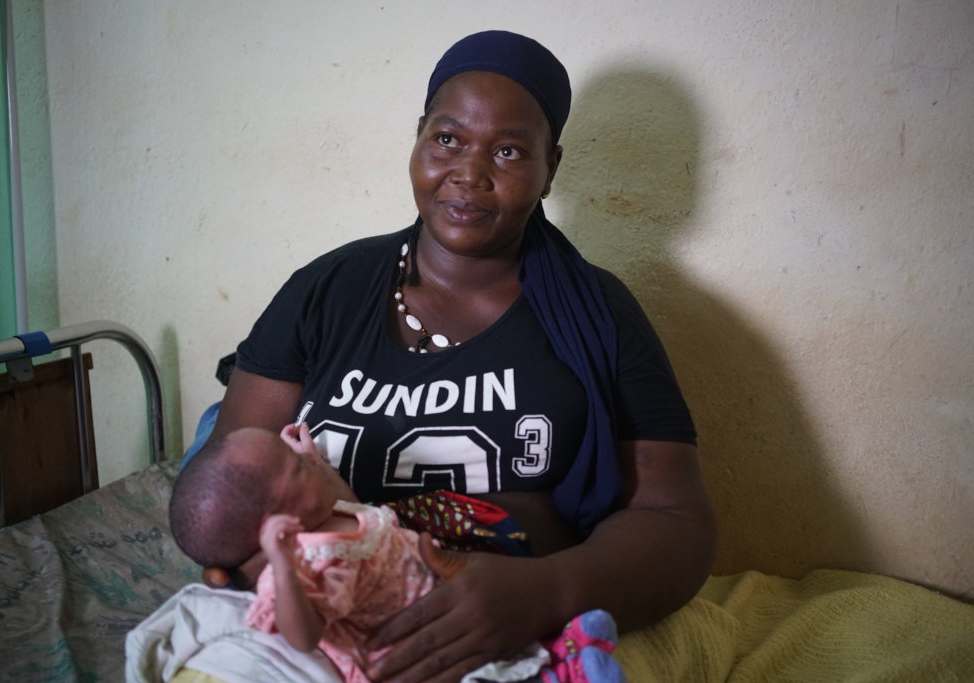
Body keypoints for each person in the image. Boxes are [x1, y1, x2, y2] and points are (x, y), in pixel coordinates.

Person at [200, 29, 716, 682]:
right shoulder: (326, 290)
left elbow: (676, 519)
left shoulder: (601, 314)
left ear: (550, 167)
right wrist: (287, 579)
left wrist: (550, 591)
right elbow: (234, 487)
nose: (469, 174)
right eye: (448, 139)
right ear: (419, 137)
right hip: (338, 615)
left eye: (508, 150)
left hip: (519, 616)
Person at [168, 423, 625, 683]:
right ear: (277, 527)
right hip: (407, 649)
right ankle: (566, 674)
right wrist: (283, 566)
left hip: (439, 596)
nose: (306, 462)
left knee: (502, 633)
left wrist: (316, 463)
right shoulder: (307, 563)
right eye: (296, 470)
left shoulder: (329, 513)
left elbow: (360, 509)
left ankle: (569, 651)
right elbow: (302, 636)